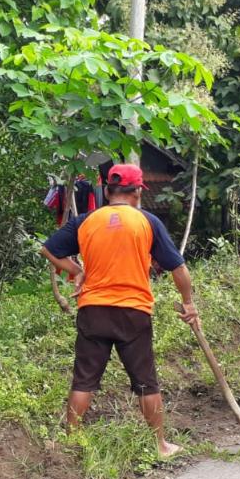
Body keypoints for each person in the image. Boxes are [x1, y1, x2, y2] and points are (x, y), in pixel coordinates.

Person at [41, 163, 197, 458]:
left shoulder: (86, 221)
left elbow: (48, 249)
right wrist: (188, 303)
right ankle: (160, 445)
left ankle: (73, 440)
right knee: (146, 381)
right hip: (132, 311)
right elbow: (178, 268)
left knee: (84, 378)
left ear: (108, 190)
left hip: (93, 309)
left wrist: (75, 272)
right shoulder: (147, 221)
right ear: (138, 191)